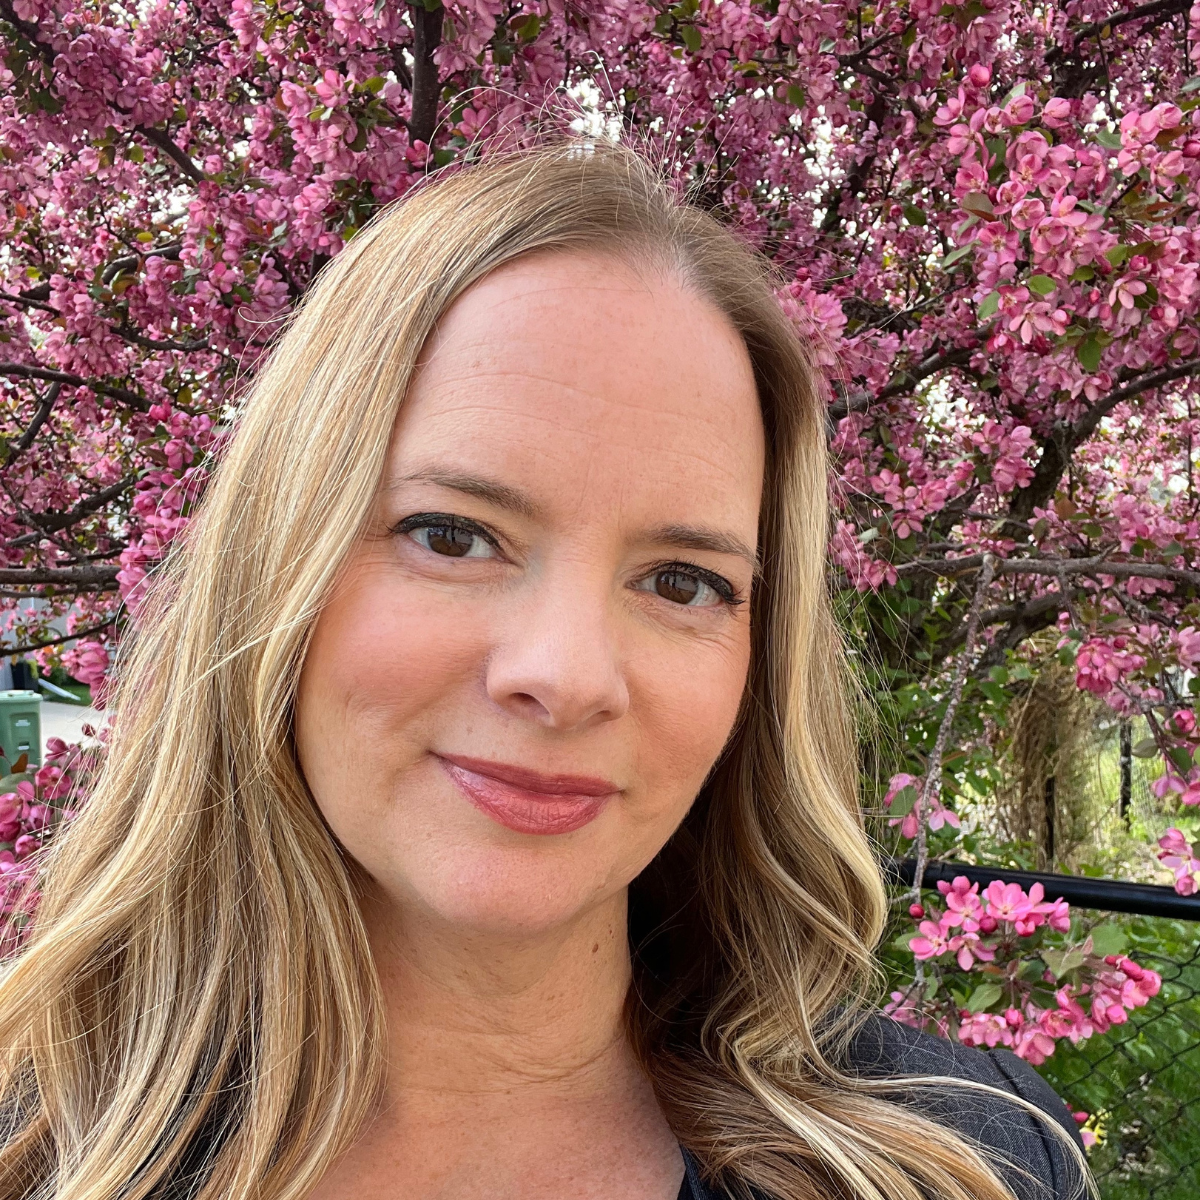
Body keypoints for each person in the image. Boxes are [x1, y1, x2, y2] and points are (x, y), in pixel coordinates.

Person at [0, 142, 1088, 1200]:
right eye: (454, 535)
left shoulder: (972, 1164)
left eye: (681, 582)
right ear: (276, 562)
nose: (565, 677)